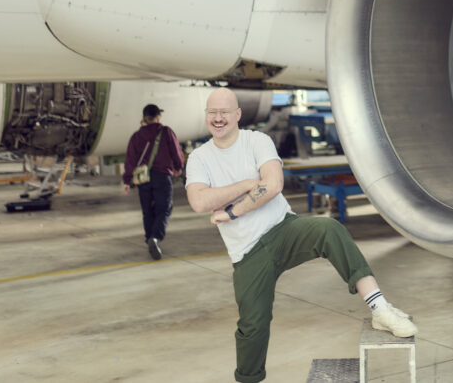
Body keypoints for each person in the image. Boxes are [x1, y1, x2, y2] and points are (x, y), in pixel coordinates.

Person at [186, 87, 417, 383]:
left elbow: (273, 185)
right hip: (247, 252)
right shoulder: (200, 158)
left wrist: (232, 212)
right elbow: (199, 201)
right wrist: (246, 184)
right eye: (213, 113)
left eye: (224, 112)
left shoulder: (257, 141)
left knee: (329, 229)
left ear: (238, 114)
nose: (218, 118)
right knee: (252, 325)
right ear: (207, 115)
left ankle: (380, 309)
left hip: (283, 229)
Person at [123, 103, 184, 260]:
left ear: (144, 118)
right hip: (162, 176)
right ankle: (155, 238)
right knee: (164, 209)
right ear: (158, 116)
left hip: (143, 178)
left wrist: (127, 180)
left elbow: (130, 159)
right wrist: (178, 167)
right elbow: (176, 150)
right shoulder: (166, 131)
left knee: (147, 211)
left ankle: (149, 237)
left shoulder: (136, 136)